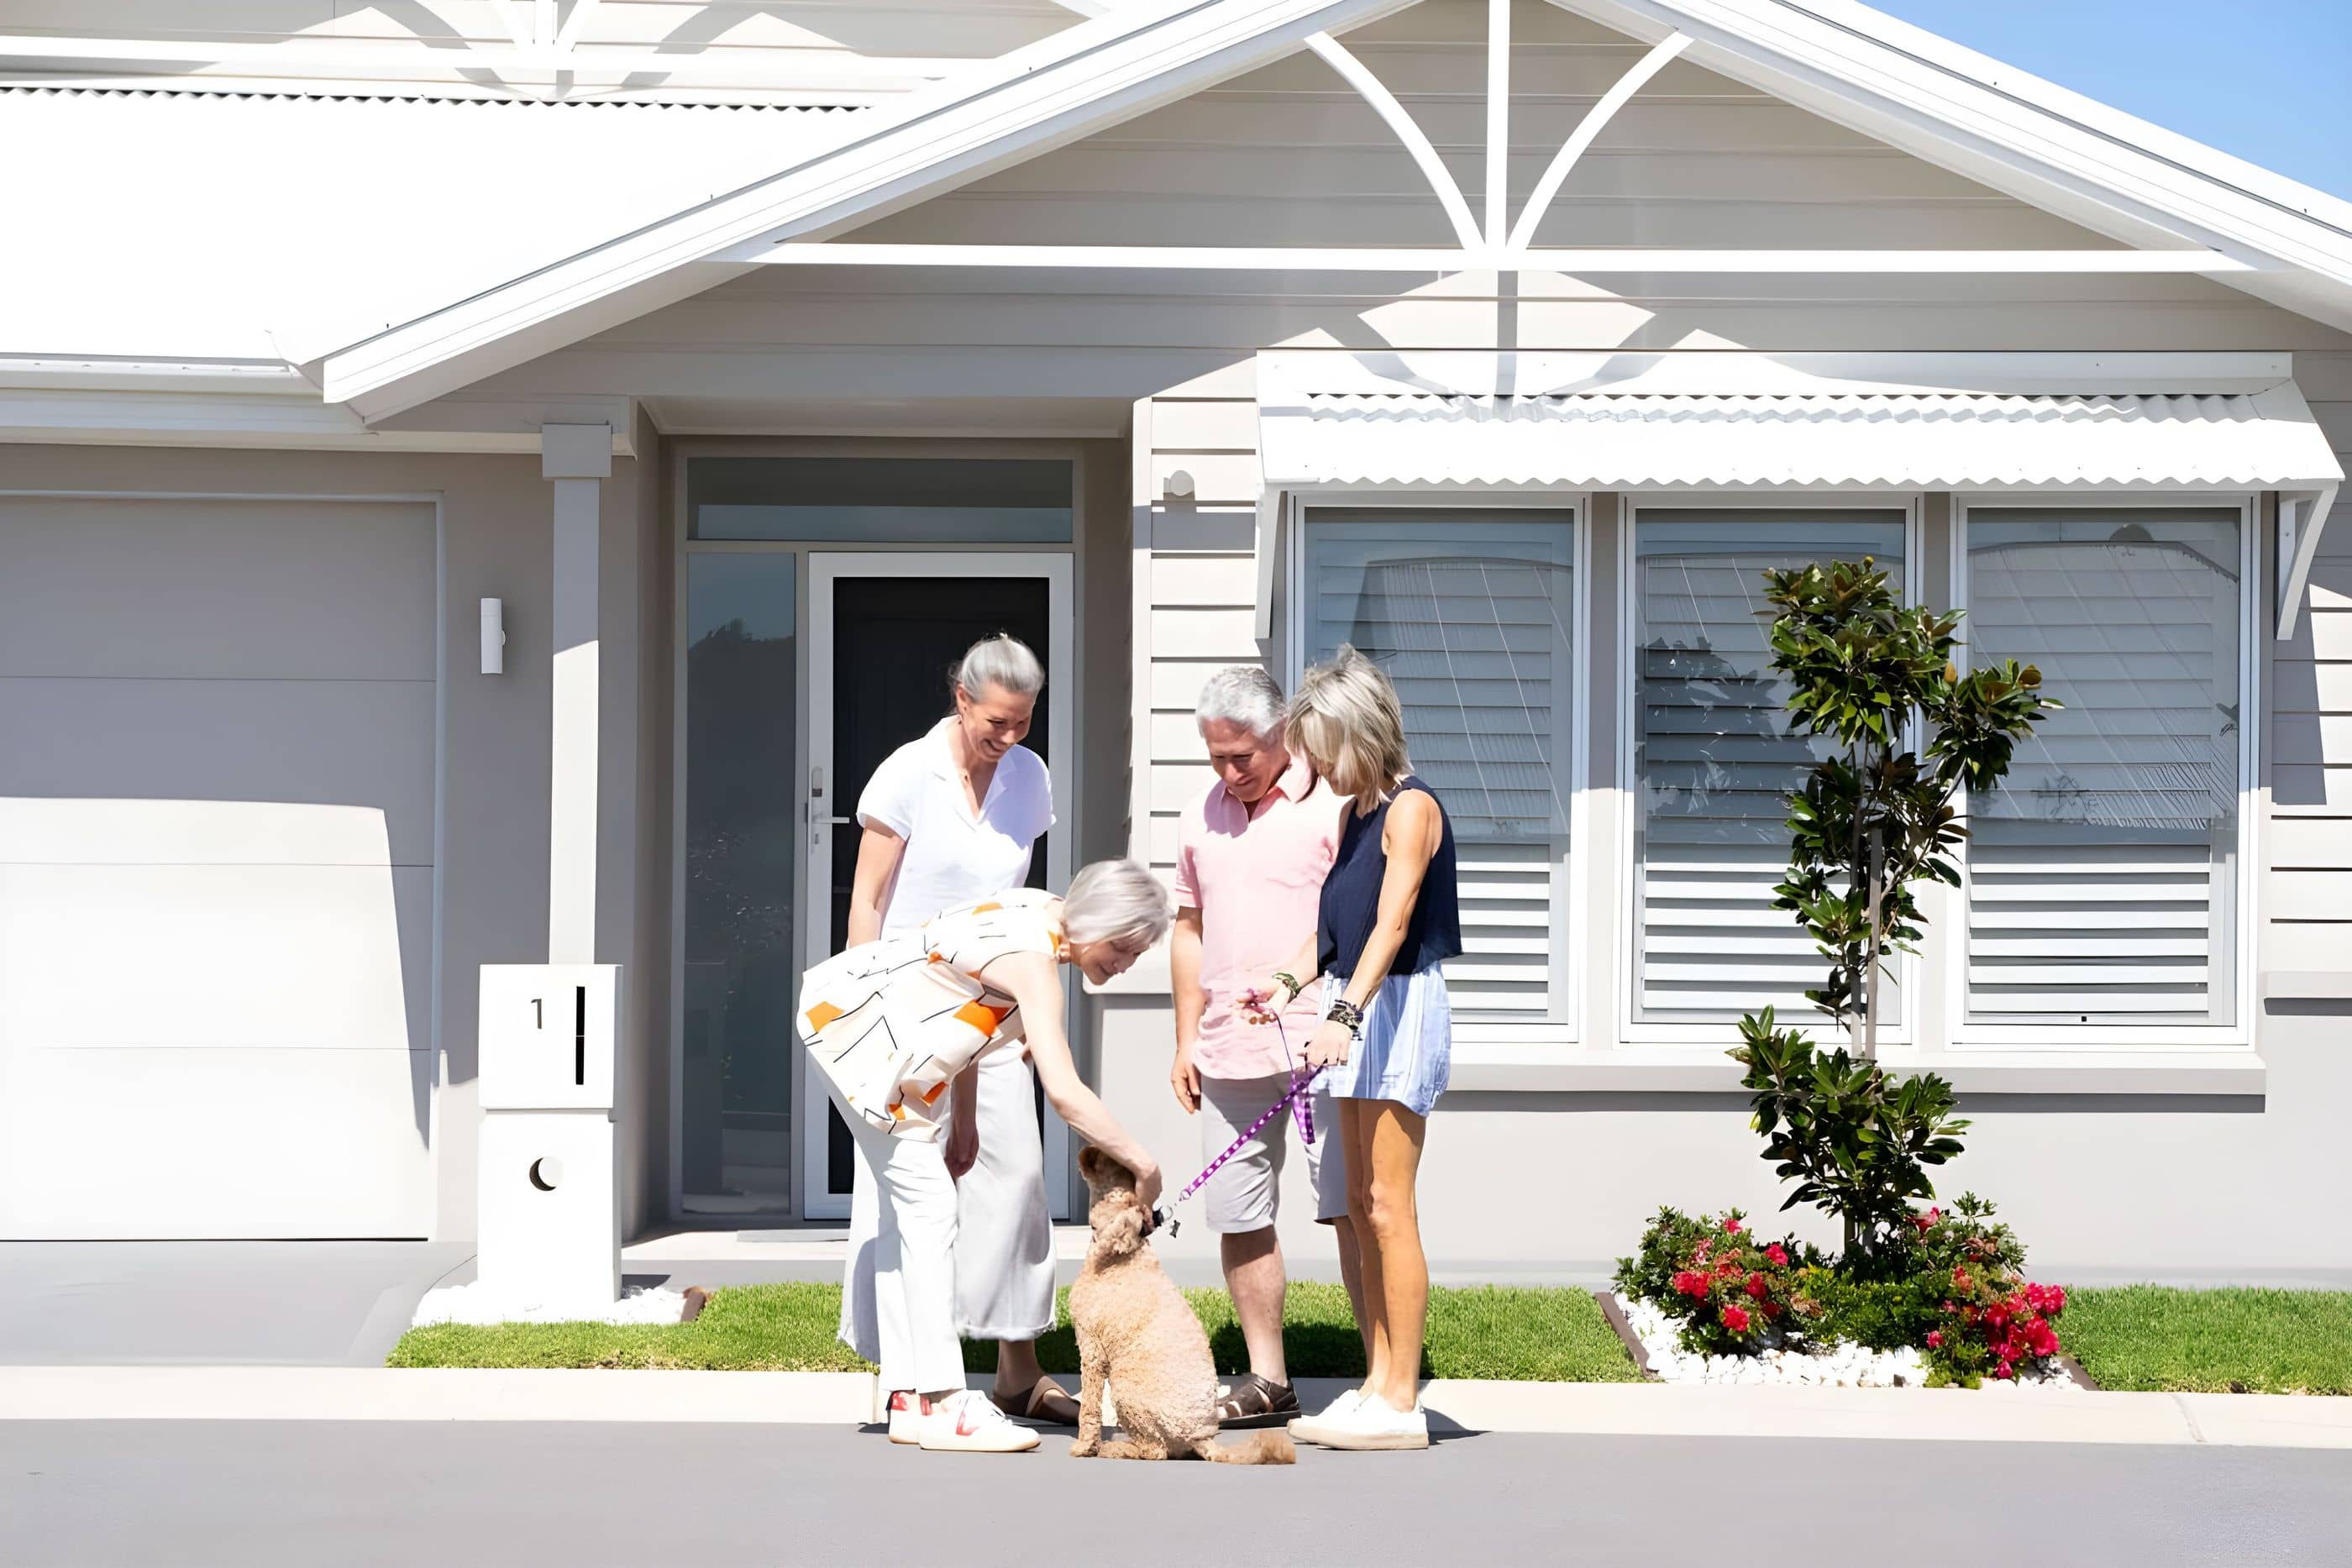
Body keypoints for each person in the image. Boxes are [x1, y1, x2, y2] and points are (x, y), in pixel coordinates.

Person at [798, 863, 1171, 1453]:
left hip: (855, 1028)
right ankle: (946, 1402)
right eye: (1124, 946)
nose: (1126, 963)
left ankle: (908, 1400)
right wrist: (1144, 1165)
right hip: (860, 1038)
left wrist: (963, 1121)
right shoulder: (1036, 960)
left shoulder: (1043, 910)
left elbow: (965, 1004)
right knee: (928, 1211)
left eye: (1137, 951)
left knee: (908, 1219)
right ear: (1097, 920)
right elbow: (1065, 1091)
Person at [837, 634, 1074, 1425]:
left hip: (990, 1006)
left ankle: (1017, 1367)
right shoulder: (908, 773)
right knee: (905, 1199)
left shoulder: (1029, 778)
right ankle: (906, 1374)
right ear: (961, 699)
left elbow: (1014, 894)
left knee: (1012, 1183)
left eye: (1023, 723)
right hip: (905, 1008)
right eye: (996, 722)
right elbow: (867, 901)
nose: (1009, 737)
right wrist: (861, 1016)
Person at [1249, 647, 1457, 1453]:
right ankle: (1375, 1382)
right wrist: (1282, 982)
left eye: (1323, 748)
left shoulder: (1412, 809)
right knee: (1360, 1206)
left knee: (1388, 1206)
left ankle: (1403, 1400)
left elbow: (1394, 924)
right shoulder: (1353, 816)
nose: (1315, 765)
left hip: (1396, 1007)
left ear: (1362, 736)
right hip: (1356, 1000)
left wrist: (1342, 1010)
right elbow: (1337, 930)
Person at [1169, 666, 1362, 1430]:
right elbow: (1187, 929)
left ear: (1281, 733)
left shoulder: (1337, 804)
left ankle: (1385, 1372)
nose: (1228, 772)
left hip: (1320, 1043)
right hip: (1226, 1048)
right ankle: (1268, 1378)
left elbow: (1363, 920)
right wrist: (1184, 1037)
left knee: (1351, 1208)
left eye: (1241, 755)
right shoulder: (1197, 816)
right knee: (1239, 1213)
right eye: (1215, 756)